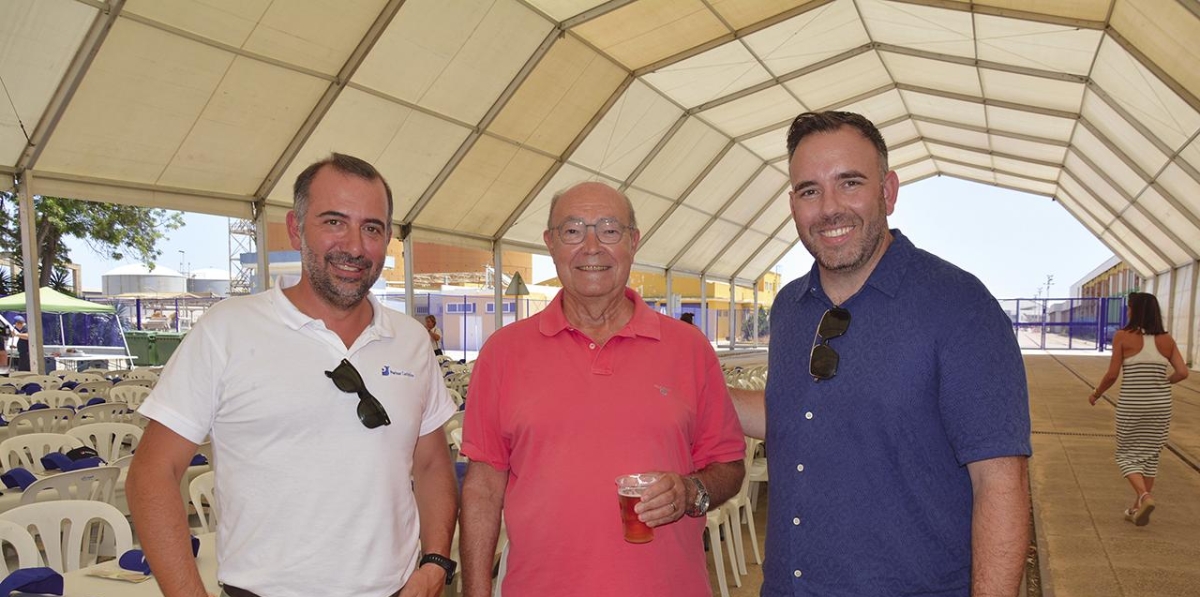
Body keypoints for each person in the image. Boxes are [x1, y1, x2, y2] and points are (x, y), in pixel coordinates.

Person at [127, 153, 459, 597]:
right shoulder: (227, 330)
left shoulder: (411, 340)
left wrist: (435, 562)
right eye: (334, 222)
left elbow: (434, 463)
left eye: (372, 228)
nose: (356, 247)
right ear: (295, 228)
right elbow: (152, 473)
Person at [729, 111, 1032, 596]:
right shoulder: (790, 307)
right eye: (809, 190)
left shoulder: (958, 306)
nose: (829, 208)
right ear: (792, 204)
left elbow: (1000, 483)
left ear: (888, 191)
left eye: (849, 183)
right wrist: (687, 385)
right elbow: (797, 415)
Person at [459, 182, 746, 597]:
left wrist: (690, 492)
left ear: (633, 241)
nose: (591, 247)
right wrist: (475, 591)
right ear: (551, 244)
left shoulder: (689, 348)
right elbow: (484, 487)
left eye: (609, 230)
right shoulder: (503, 352)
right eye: (573, 231)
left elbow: (729, 466)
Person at [1087, 292, 1188, 526]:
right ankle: (1137, 508)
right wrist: (1165, 382)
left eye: (1130, 307)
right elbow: (1182, 373)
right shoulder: (1167, 340)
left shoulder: (1122, 336)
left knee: (1125, 455)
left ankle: (1145, 496)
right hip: (1161, 407)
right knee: (1150, 456)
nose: (1128, 311)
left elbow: (1112, 374)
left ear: (1136, 310)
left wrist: (1096, 393)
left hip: (1133, 405)